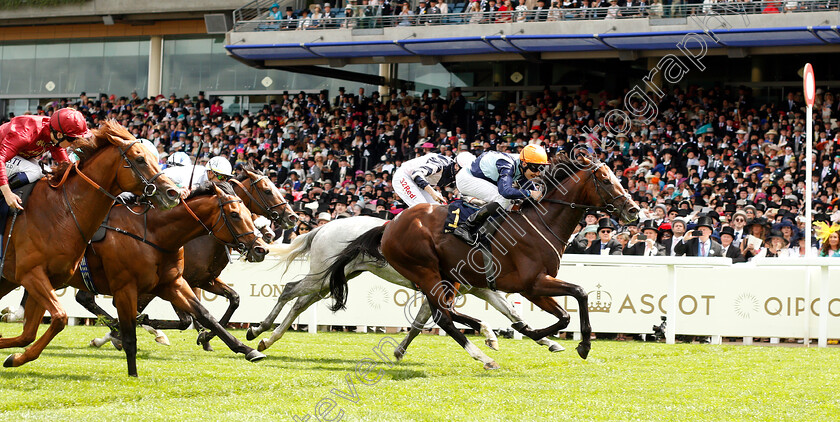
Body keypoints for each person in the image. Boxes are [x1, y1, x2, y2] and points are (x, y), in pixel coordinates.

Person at [453, 144, 548, 244]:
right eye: (536, 168)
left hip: (478, 176)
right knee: (503, 199)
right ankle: (465, 227)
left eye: (541, 168)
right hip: (466, 179)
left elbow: (533, 191)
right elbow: (505, 192)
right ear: (524, 164)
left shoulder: (522, 165)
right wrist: (530, 193)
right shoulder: (507, 165)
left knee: (513, 200)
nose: (538, 173)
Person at [0, 108, 90, 211]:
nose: (75, 143)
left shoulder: (53, 133)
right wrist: (7, 193)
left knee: (47, 171)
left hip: (13, 156)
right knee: (35, 171)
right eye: (72, 139)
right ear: (59, 135)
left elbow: (63, 162)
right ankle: (3, 193)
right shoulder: (26, 134)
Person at [392, 148, 458, 207]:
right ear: (456, 166)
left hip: (420, 183)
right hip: (404, 176)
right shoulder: (439, 165)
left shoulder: (454, 170)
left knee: (437, 209)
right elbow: (417, 175)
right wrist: (433, 192)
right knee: (423, 208)